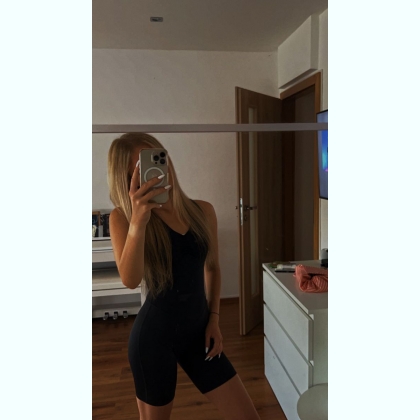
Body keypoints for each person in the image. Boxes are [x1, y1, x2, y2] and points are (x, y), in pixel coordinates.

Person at [108, 133, 260, 420]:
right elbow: (130, 279)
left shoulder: (203, 210)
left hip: (200, 332)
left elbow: (212, 267)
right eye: (140, 170)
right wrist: (139, 221)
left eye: (157, 159)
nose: (155, 173)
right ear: (127, 179)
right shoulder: (123, 218)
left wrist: (214, 319)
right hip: (153, 339)